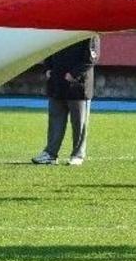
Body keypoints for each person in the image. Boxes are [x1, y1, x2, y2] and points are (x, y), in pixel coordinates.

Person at [32, 36, 99, 166]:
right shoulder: (60, 31)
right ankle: (50, 154)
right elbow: (49, 50)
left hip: (78, 87)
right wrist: (47, 68)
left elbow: (91, 59)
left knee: (79, 124)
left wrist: (74, 74)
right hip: (57, 84)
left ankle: (77, 155)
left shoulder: (89, 33)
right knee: (55, 121)